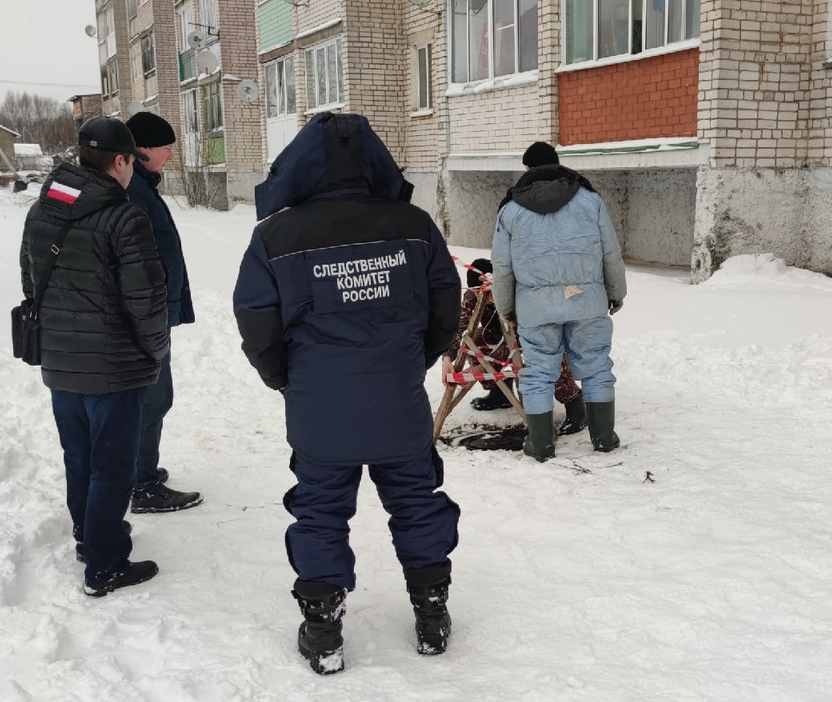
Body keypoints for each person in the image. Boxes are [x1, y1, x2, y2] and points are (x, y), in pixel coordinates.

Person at [233, 112, 462, 675]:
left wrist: (283, 376)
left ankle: (323, 631)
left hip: (318, 405)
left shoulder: (275, 237)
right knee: (415, 499)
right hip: (397, 400)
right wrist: (413, 361)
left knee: (319, 511)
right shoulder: (414, 226)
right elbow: (444, 307)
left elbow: (256, 321)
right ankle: (432, 615)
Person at [19, 117, 169, 596]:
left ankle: (90, 537)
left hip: (61, 363)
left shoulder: (44, 210)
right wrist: (156, 350)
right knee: (113, 465)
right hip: (115, 368)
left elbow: (30, 281)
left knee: (79, 457)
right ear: (121, 161)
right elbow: (146, 300)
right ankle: (105, 565)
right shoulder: (125, 218)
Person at [492, 141, 627, 462]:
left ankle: (540, 444)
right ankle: (604, 438)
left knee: (537, 372)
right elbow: (611, 252)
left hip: (536, 308)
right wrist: (616, 293)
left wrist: (506, 307)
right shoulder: (590, 200)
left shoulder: (510, 210)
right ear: (557, 164)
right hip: (587, 301)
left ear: (527, 169)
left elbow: (502, 267)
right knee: (596, 366)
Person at [122, 111, 204, 514]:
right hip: (142, 317)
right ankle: (140, 484)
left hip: (148, 313)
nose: (171, 154)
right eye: (165, 146)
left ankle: (140, 470)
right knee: (152, 398)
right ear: (142, 149)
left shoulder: (140, 184)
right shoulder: (131, 189)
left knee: (151, 397)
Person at [440, 258, 588, 436]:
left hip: (535, 334)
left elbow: (515, 343)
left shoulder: (518, 296)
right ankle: (499, 392)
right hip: (497, 335)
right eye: (481, 295)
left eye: (488, 294)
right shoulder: (473, 295)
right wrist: (447, 357)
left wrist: (482, 368)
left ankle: (575, 404)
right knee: (476, 340)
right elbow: (459, 328)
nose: (486, 299)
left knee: (550, 353)